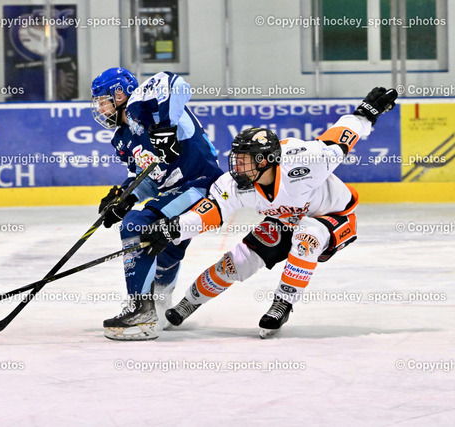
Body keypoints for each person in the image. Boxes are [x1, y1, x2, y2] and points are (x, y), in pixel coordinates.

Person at [139, 87, 398, 338]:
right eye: (237, 159)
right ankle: (188, 303)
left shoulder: (306, 162)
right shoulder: (234, 185)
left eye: (245, 160)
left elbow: (340, 137)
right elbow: (210, 213)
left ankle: (282, 304)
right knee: (236, 262)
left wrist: (365, 115)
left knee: (308, 236)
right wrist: (173, 228)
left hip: (333, 218)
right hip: (284, 220)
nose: (237, 167)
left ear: (265, 161)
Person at [90, 67, 223, 341]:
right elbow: (151, 179)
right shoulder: (123, 138)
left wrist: (165, 126)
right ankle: (158, 305)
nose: (101, 108)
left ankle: (142, 310)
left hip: (200, 184)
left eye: (103, 99)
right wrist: (125, 198)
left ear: (119, 93)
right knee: (163, 246)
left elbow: (177, 84)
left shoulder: (142, 104)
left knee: (137, 226)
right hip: (176, 191)